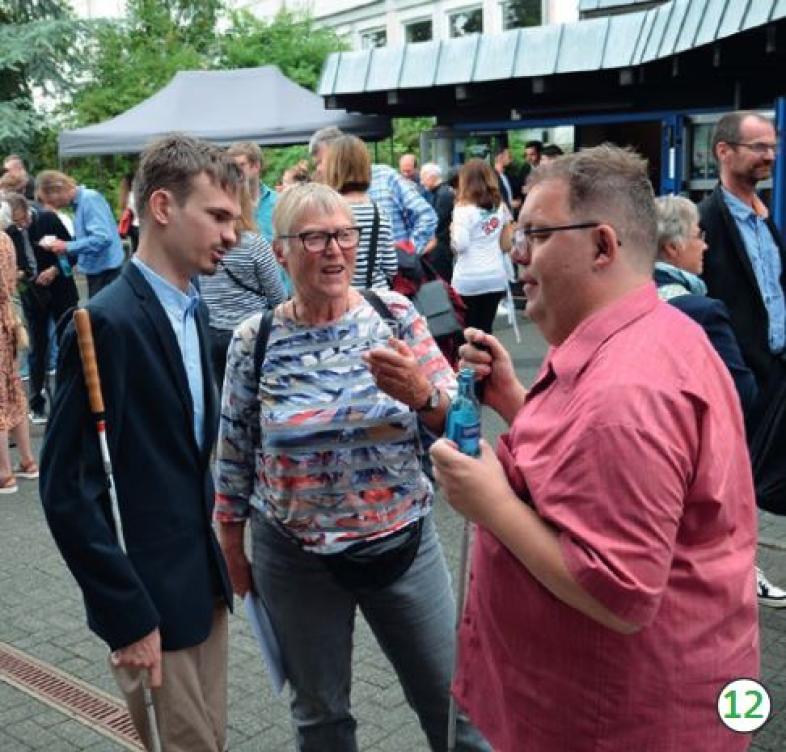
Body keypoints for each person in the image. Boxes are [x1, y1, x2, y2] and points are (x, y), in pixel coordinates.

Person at [431, 145, 759, 752]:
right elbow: (591, 462)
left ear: (602, 246)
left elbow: (617, 595)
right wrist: (513, 399)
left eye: (535, 235)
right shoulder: (646, 333)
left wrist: (490, 502)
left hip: (613, 720)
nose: (517, 255)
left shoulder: (627, 389)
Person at [215, 182, 489, 752]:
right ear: (282, 250)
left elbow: (459, 427)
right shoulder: (255, 339)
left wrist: (421, 393)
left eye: (345, 234)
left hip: (404, 545)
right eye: (315, 237)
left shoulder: (395, 314)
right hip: (293, 558)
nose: (335, 249)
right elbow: (235, 454)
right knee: (321, 719)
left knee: (452, 707)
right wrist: (231, 547)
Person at [40, 134, 240, 752]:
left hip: (200, 584)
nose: (232, 235)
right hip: (149, 598)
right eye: (218, 216)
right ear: (161, 207)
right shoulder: (106, 322)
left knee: (210, 738)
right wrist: (126, 615)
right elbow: (68, 487)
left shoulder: (194, 309)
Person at [699, 110, 786, 607]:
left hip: (776, 367)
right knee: (731, 482)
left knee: (752, 480)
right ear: (724, 151)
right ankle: (737, 570)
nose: (769, 155)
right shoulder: (708, 221)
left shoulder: (763, 213)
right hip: (739, 374)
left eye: (771, 146)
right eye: (757, 146)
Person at [200, 180, 286, 389]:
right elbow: (278, 297)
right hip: (251, 335)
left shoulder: (203, 243)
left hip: (210, 335)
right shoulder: (255, 244)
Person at [4, 192, 78, 424]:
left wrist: (55, 270)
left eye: (23, 220)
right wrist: (22, 275)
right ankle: (37, 403)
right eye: (16, 223)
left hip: (60, 290)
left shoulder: (48, 219)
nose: (21, 226)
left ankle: (74, 395)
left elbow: (71, 252)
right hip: (33, 295)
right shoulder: (10, 232)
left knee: (70, 339)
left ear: (28, 210)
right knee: (38, 349)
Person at [310, 126, 437, 255]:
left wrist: (408, 253)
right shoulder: (325, 192)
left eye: (321, 161)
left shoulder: (384, 176)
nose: (319, 168)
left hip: (395, 272)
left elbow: (426, 215)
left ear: (339, 153)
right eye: (316, 164)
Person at [322, 134, 398, 290]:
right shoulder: (379, 212)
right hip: (376, 301)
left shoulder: (325, 210)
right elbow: (391, 266)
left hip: (338, 299)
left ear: (333, 168)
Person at [36, 170, 124, 298]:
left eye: (50, 200)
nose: (52, 206)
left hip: (106, 272)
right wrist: (66, 246)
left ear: (58, 189)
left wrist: (67, 246)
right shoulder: (79, 205)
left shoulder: (89, 199)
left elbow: (102, 238)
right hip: (99, 271)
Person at [0, 200, 38, 492]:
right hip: (10, 319)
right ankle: (27, 461)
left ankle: (4, 473)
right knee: (14, 389)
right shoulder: (6, 240)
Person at [450, 158, 512, 334]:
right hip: (495, 276)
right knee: (486, 331)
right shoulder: (499, 206)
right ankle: (488, 361)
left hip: (469, 278)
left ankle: (472, 362)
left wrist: (452, 231)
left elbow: (460, 246)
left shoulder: (463, 209)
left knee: (467, 332)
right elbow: (506, 245)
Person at [226, 141, 277, 242]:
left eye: (241, 165)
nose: (235, 172)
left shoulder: (278, 202)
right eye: (232, 167)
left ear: (256, 166)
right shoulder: (227, 203)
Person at [420, 162, 455, 282]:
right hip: (440, 245)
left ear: (431, 177)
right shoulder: (440, 193)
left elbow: (437, 222)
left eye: (423, 178)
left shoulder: (443, 194)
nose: (422, 182)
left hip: (441, 248)